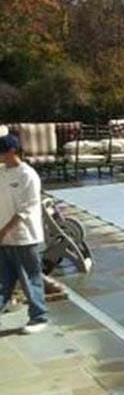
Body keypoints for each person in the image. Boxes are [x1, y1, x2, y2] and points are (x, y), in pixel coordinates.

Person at [0, 134, 48, 333]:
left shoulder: (27, 175)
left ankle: (39, 318)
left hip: (24, 237)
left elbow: (25, 210)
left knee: (30, 278)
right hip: (4, 237)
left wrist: (4, 231)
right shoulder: (2, 173)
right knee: (3, 280)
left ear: (12, 151)